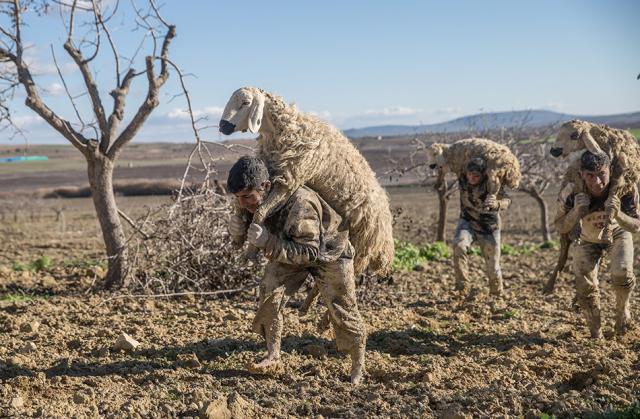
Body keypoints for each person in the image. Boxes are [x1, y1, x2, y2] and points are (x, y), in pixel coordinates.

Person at [226, 156, 367, 384]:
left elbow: (309, 253)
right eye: (238, 198)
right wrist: (237, 231)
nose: (243, 203)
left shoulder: (302, 203)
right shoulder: (251, 199)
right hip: (287, 244)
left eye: (247, 198)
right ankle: (273, 355)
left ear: (265, 187)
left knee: (343, 308)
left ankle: (357, 367)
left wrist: (268, 242)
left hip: (330, 253)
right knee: (270, 289)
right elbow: (247, 223)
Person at [554, 151, 639, 338]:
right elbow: (560, 225)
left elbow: (635, 226)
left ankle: (623, 310)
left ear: (609, 171)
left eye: (602, 174)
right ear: (582, 174)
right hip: (587, 237)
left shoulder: (624, 188)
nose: (597, 182)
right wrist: (576, 211)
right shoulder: (572, 190)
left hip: (618, 232)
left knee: (623, 273)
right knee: (584, 283)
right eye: (590, 176)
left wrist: (617, 214)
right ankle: (595, 333)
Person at [452, 157, 511, 295]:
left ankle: (497, 293)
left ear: (483, 175)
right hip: (468, 222)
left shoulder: (492, 185)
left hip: (489, 227)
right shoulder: (462, 180)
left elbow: (507, 200)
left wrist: (497, 204)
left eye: (476, 175)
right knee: (458, 246)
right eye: (470, 174)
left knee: (493, 264)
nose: (472, 178)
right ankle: (462, 287)